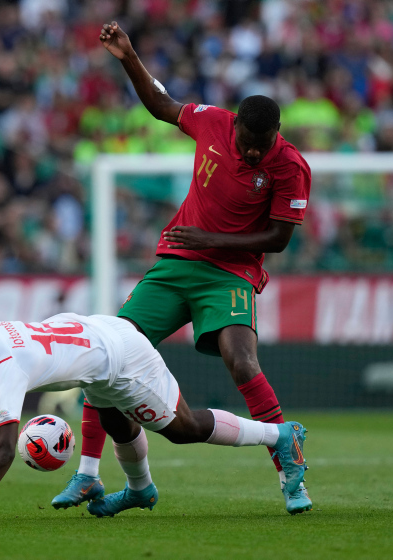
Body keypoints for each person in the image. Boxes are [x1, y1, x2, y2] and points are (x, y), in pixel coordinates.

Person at [53, 22, 313, 515]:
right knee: (105, 350)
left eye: (264, 143)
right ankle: (87, 475)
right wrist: (129, 56)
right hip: (177, 264)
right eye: (249, 141)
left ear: (275, 135)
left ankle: (288, 466)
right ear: (235, 124)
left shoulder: (289, 166)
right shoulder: (212, 121)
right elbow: (161, 105)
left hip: (230, 273)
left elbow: (279, 238)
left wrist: (211, 239)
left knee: (243, 363)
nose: (255, 151)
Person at [0, 311, 309, 524]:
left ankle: (278, 435)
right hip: (96, 334)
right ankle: (139, 490)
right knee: (112, 419)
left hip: (122, 357)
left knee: (182, 429)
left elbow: (3, 450)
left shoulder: (2, 372)